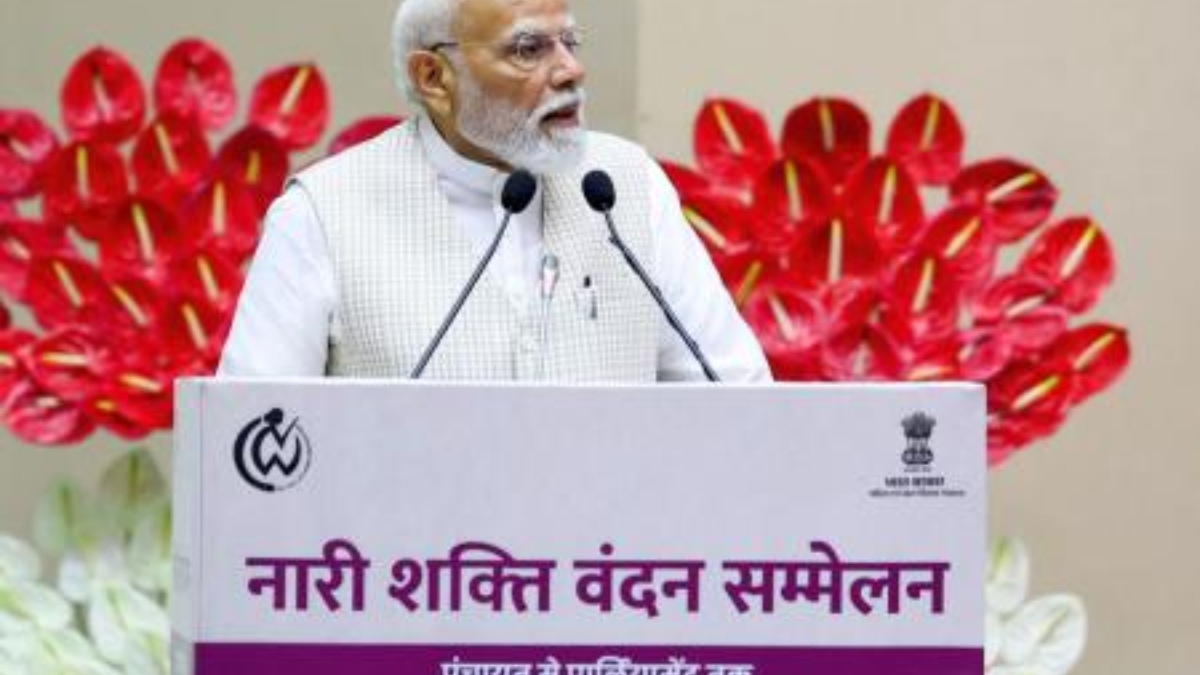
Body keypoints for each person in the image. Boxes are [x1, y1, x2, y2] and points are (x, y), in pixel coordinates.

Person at [218, 0, 771, 382]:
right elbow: (254, 439)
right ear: (433, 77)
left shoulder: (627, 187)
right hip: (410, 552)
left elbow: (738, 397)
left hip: (610, 550)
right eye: (529, 50)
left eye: (570, 43)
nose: (571, 70)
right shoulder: (322, 214)